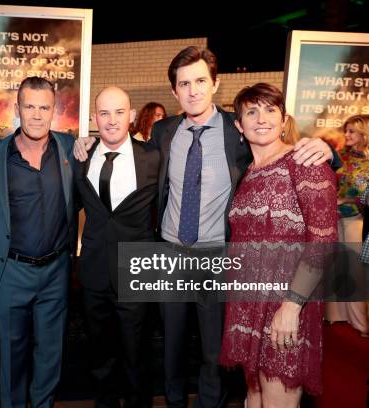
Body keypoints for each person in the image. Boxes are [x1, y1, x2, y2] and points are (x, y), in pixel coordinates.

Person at [74, 46, 334, 407]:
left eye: (200, 81)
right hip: (169, 256)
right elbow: (120, 146)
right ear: (174, 91)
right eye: (184, 84)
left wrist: (327, 149)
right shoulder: (163, 132)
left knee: (215, 352)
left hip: (217, 257)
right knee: (171, 347)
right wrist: (86, 141)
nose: (193, 90)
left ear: (215, 84)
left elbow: (281, 149)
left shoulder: (238, 129)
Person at [220, 82, 338, 406]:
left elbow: (324, 242)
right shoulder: (247, 171)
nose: (262, 118)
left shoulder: (304, 163)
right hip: (247, 303)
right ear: (239, 125)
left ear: (283, 119)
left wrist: (292, 305)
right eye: (252, 111)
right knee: (254, 394)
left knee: (278, 397)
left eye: (271, 110)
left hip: (285, 304)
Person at [0, 76, 76, 407]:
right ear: (18, 108)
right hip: (11, 272)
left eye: (44, 107)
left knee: (50, 356)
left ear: (54, 110)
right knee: (11, 357)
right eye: (29, 106)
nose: (37, 115)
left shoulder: (69, 149)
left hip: (55, 272)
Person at [74, 87, 160, 407]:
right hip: (94, 272)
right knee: (100, 356)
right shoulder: (81, 157)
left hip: (136, 270)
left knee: (136, 354)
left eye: (119, 112)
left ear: (132, 116)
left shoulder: (153, 158)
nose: (111, 121)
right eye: (104, 113)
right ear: (95, 118)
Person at [325, 114, 369, 335]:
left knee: (354, 268)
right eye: (346, 130)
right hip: (333, 217)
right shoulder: (340, 156)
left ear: (364, 134)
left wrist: (348, 200)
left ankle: (361, 323)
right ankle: (336, 315)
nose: (347, 134)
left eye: (352, 131)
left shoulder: (368, 162)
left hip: (356, 219)